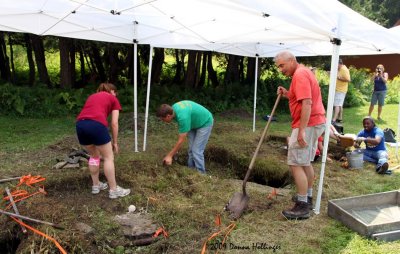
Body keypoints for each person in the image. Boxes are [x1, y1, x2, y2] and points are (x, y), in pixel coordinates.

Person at [275, 51, 326, 220]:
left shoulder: (300, 75)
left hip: (308, 124)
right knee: (305, 162)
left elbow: (307, 102)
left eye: (282, 65)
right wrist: (287, 93)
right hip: (315, 121)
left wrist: (302, 130)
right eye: (278, 67)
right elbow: (300, 97)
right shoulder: (302, 73)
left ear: (292, 60)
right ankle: (308, 197)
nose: (280, 70)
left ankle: (302, 206)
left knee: (295, 162)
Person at [76, 83, 131, 199]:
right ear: (112, 91)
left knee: (94, 156)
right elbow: (114, 123)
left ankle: (96, 186)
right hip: (96, 125)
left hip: (80, 124)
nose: (116, 95)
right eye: (116, 93)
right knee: (108, 158)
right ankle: (114, 190)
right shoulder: (113, 98)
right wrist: (115, 142)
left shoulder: (92, 96)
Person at [156, 101, 213, 174]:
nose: (163, 121)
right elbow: (182, 131)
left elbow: (181, 140)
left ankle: (201, 174)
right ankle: (191, 170)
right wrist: (175, 151)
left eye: (163, 119)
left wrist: (169, 156)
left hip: (205, 122)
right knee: (191, 149)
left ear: (168, 116)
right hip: (193, 123)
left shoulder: (183, 117)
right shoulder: (173, 109)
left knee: (196, 150)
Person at [332, 59, 351, 123]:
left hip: (340, 90)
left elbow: (348, 79)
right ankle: (340, 118)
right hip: (339, 89)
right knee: (340, 105)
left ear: (339, 64)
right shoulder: (340, 69)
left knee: (337, 105)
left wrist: (338, 78)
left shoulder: (344, 69)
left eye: (336, 64)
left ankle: (334, 119)